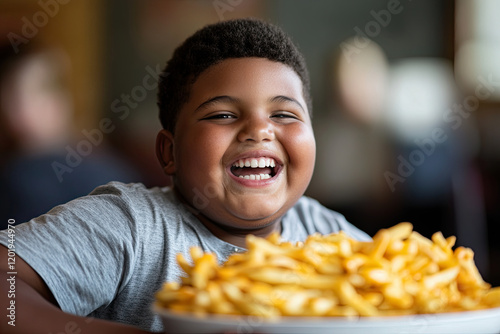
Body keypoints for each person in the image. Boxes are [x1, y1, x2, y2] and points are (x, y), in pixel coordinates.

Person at [0, 19, 369, 334]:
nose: (259, 130)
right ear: (169, 152)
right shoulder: (132, 227)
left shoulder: (334, 240)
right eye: (223, 115)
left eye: (284, 115)